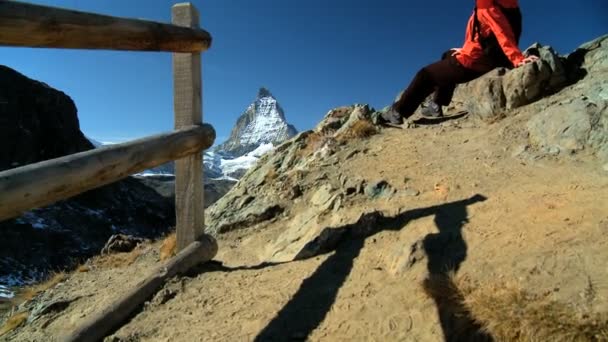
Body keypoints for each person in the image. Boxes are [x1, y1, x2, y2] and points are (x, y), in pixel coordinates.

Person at [376, 0, 539, 125]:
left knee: (425, 75)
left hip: (475, 62)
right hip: (490, 57)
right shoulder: (511, 4)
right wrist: (464, 49)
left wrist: (518, 59)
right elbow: (486, 34)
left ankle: (398, 112)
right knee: (448, 54)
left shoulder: (486, 3)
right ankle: (436, 105)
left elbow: (501, 31)